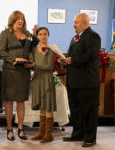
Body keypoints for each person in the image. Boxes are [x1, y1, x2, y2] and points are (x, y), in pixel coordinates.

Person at [0, 10, 38, 141]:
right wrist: (14, 59)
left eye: (22, 19)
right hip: (10, 70)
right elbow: (1, 51)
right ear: (13, 20)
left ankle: (20, 128)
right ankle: (9, 129)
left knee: (21, 102)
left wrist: (36, 36)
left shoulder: (27, 34)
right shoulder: (5, 33)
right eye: (18, 19)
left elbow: (32, 47)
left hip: (23, 72)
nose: (21, 21)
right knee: (9, 102)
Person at [62, 13, 101, 147]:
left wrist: (72, 60)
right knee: (76, 110)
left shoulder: (94, 36)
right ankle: (77, 134)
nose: (73, 24)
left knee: (89, 111)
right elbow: (70, 54)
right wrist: (65, 60)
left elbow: (90, 56)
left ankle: (90, 138)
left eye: (76, 22)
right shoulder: (75, 38)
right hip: (74, 81)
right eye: (74, 22)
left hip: (87, 81)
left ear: (85, 22)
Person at [30, 27, 56, 143]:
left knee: (48, 107)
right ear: (37, 36)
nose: (42, 36)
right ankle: (41, 132)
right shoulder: (34, 50)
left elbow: (50, 67)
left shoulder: (51, 50)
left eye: (45, 34)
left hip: (47, 79)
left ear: (48, 36)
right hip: (37, 79)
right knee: (41, 108)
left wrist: (35, 66)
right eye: (40, 34)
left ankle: (48, 134)